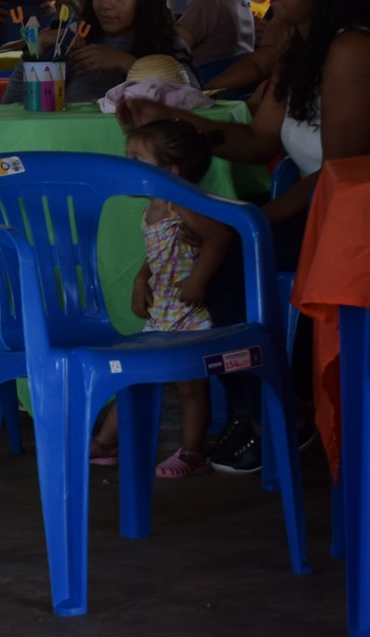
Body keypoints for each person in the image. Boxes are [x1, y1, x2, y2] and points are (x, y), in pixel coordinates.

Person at [117, 0, 370, 473]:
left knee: (232, 252)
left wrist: (254, 220)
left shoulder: (354, 49)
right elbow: (260, 138)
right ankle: (261, 409)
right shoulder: (305, 43)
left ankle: (277, 414)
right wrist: (176, 124)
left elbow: (341, 175)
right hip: (336, 206)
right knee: (217, 245)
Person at [88, 119, 231, 479]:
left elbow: (220, 237)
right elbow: (157, 254)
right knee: (134, 375)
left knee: (190, 386)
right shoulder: (153, 209)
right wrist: (140, 280)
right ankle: (106, 444)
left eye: (137, 158)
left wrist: (198, 280)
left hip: (188, 310)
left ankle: (193, 452)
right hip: (163, 308)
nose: (128, 165)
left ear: (170, 171)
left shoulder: (180, 206)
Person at [1, 0, 197, 106]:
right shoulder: (69, 44)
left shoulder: (168, 45)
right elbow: (11, 106)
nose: (106, 4)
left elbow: (194, 99)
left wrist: (127, 63)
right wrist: (38, 49)